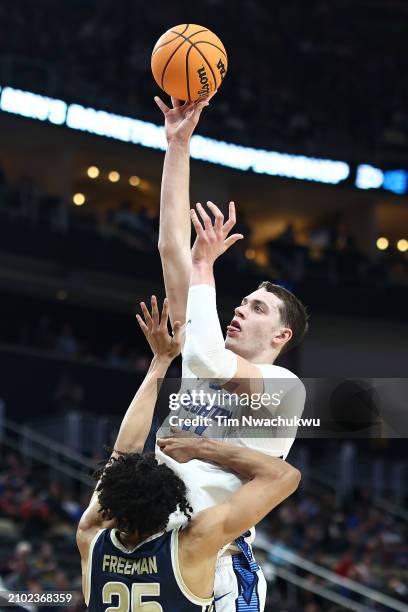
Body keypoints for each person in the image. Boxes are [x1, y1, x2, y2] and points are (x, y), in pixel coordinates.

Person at [154, 94, 309, 610]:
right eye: (241, 302)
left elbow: (206, 362)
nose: (240, 310)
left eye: (258, 309)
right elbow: (172, 249)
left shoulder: (284, 389)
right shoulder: (205, 347)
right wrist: (178, 144)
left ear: (281, 336)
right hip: (155, 540)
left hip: (218, 560)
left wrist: (206, 271)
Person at [76, 297, 301, 611]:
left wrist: (160, 361)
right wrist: (201, 447)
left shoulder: (90, 534)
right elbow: (285, 475)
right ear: (173, 506)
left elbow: (121, 453)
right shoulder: (189, 546)